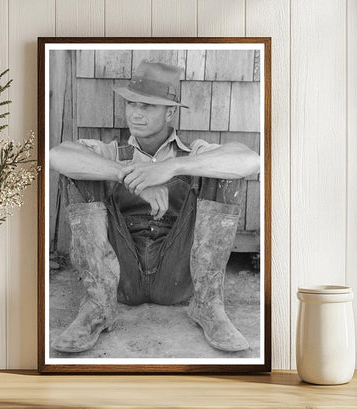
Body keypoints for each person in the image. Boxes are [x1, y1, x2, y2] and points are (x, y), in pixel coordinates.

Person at [49, 61, 260, 354]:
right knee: (81, 171)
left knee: (221, 173)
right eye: (131, 104)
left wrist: (172, 167)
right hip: (121, 275)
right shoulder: (112, 153)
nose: (135, 113)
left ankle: (208, 304)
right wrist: (128, 175)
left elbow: (249, 160)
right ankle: (96, 307)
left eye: (147, 106)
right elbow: (57, 156)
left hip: (177, 274)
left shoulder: (191, 154)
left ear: (170, 112)